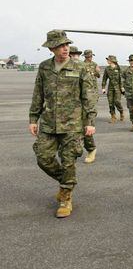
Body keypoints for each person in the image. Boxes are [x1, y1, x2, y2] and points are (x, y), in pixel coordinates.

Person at [29, 30, 96, 218]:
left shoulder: (80, 67)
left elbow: (89, 96)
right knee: (42, 157)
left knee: (68, 162)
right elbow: (38, 94)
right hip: (49, 123)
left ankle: (66, 197)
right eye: (60, 45)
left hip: (72, 125)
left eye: (66, 45)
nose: (65, 48)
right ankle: (67, 182)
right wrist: (33, 118)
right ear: (52, 48)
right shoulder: (44, 68)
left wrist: (89, 121)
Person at [69, 46, 98, 164]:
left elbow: (89, 92)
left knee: (85, 130)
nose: (75, 57)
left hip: (83, 104)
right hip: (68, 106)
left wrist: (90, 115)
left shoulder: (83, 68)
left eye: (76, 55)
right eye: (73, 54)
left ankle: (91, 149)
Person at [82, 49, 100, 163]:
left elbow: (98, 75)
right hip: (83, 92)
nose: (90, 57)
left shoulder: (94, 65)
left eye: (91, 56)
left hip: (92, 92)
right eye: (88, 56)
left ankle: (90, 123)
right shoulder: (81, 65)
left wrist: (97, 71)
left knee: (88, 117)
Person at [102, 55, 124, 123]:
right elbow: (104, 79)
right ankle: (113, 116)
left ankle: (121, 112)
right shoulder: (107, 69)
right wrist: (103, 88)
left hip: (117, 88)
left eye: (108, 60)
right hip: (110, 88)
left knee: (117, 101)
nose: (107, 61)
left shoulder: (119, 68)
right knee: (111, 103)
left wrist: (122, 87)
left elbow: (121, 79)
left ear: (112, 61)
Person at [122, 54, 133, 132]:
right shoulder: (125, 71)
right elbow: (122, 79)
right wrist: (122, 87)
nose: (132, 63)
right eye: (131, 61)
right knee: (131, 110)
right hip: (129, 93)